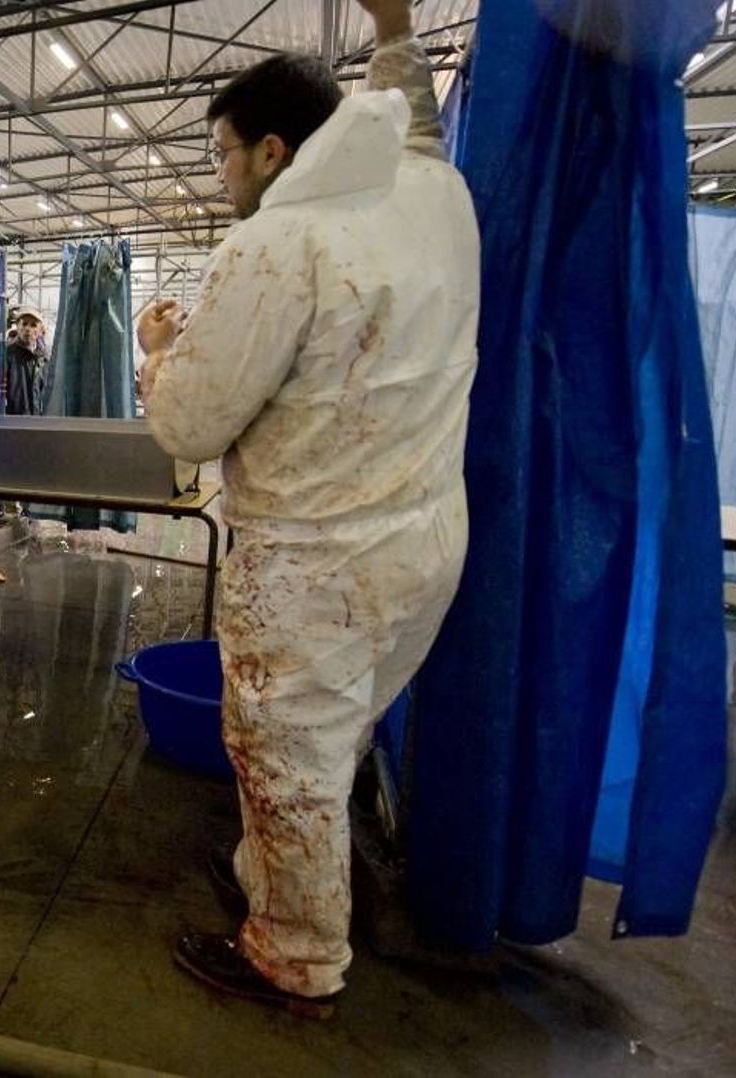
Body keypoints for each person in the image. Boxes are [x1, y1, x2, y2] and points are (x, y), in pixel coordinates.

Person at [136, 0, 479, 1018]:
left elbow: (192, 425)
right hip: (425, 543)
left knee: (285, 760)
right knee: (336, 741)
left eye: (224, 154)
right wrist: (393, 29)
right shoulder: (434, 194)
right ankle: (283, 882)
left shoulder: (275, 246)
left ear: (275, 151)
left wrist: (158, 355)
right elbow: (410, 124)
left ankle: (294, 958)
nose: (222, 174)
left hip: (311, 567)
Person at [3, 305, 49, 416]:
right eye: (24, 324)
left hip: (38, 421)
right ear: (17, 327)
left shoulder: (44, 358)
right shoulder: (7, 354)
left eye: (33, 325)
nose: (28, 329)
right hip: (14, 421)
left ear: (39, 330)